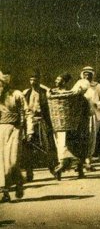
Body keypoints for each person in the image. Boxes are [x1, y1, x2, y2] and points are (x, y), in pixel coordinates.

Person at [0, 71, 33, 202]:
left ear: (4, 83)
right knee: (1, 162)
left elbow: (27, 112)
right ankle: (4, 191)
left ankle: (18, 183)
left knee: (12, 161)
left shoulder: (16, 94)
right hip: (0, 130)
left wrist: (29, 131)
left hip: (15, 130)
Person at [50, 73, 89, 180]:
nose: (57, 81)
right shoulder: (54, 93)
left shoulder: (74, 97)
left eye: (60, 80)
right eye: (57, 79)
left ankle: (73, 169)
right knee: (64, 146)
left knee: (71, 147)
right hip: (62, 126)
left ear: (65, 82)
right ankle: (64, 168)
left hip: (72, 126)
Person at [22, 70, 58, 182]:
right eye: (31, 79)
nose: (33, 81)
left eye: (35, 79)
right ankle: (29, 172)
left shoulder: (44, 92)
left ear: (39, 79)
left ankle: (53, 169)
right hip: (29, 122)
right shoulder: (26, 93)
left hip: (42, 122)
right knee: (28, 147)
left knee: (47, 147)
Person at [80, 66, 100, 171]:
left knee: (92, 137)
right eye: (85, 74)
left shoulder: (97, 86)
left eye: (89, 74)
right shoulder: (79, 85)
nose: (87, 76)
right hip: (82, 116)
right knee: (83, 138)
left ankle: (88, 160)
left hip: (94, 116)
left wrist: (97, 104)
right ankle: (82, 161)